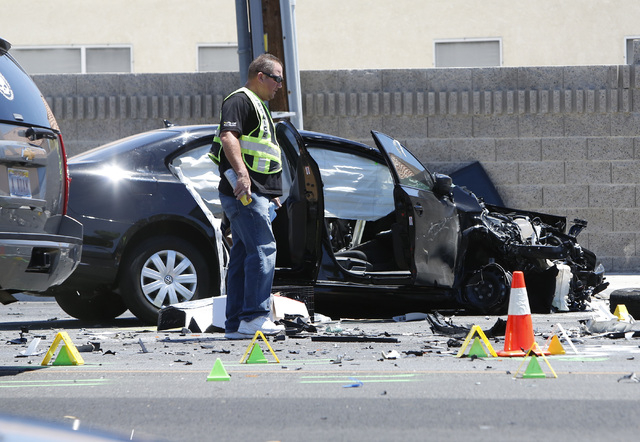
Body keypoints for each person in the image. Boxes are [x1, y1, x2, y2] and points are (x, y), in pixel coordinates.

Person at [210, 54, 285, 339]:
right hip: (244, 193)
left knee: (243, 254)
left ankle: (237, 324)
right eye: (277, 79)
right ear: (261, 76)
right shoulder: (240, 100)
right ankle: (254, 316)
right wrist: (242, 175)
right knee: (263, 250)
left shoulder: (257, 105)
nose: (280, 85)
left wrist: (269, 192)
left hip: (253, 192)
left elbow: (260, 153)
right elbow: (228, 137)